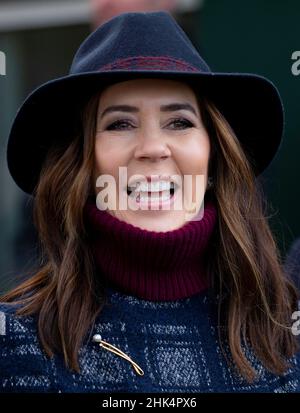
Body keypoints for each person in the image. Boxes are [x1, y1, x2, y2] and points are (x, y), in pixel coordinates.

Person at [0, 11, 299, 393]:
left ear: (214, 157)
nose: (153, 148)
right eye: (120, 124)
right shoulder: (15, 343)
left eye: (179, 122)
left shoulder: (282, 330)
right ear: (83, 166)